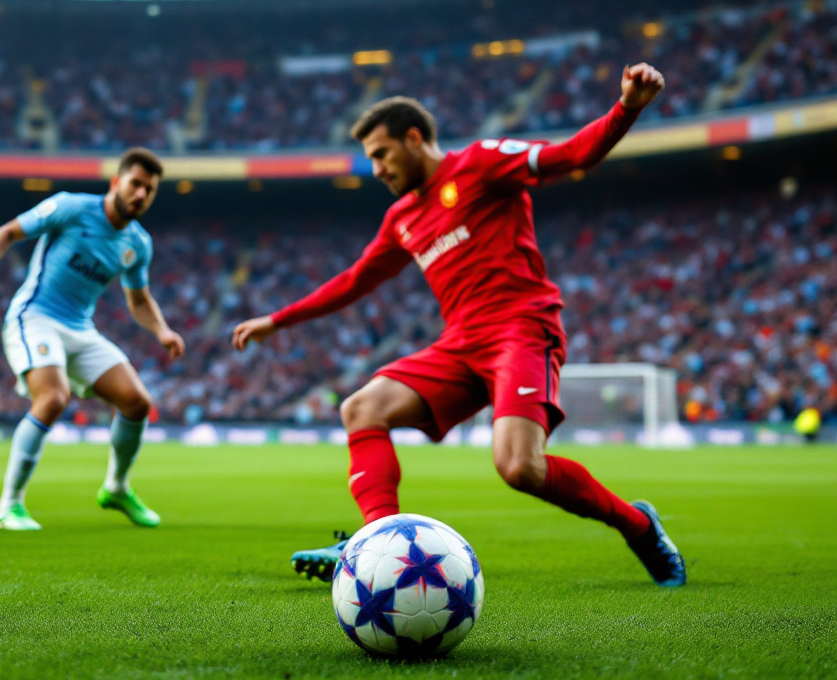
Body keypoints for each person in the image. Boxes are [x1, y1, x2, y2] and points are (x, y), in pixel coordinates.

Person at [232, 64, 686, 588]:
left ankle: (639, 525)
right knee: (362, 407)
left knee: (519, 467)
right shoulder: (401, 217)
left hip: (522, 328)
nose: (375, 168)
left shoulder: (481, 163)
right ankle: (376, 543)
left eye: (381, 153)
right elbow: (356, 280)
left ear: (414, 137)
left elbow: (570, 156)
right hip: (460, 346)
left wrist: (627, 105)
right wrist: (277, 320)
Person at [0, 147, 185, 531]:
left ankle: (115, 488)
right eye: (135, 184)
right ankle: (8, 506)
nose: (141, 195)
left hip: (80, 329)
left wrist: (162, 330)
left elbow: (138, 299)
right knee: (53, 397)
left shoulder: (138, 244)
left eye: (149, 190)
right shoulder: (71, 208)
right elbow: (8, 232)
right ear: (117, 182)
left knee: (137, 402)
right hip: (34, 316)